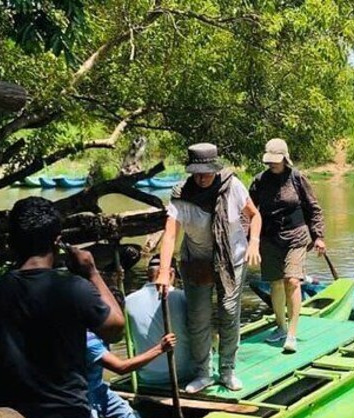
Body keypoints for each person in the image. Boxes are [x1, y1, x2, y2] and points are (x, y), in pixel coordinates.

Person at [0, 196, 125, 418]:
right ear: (57, 242)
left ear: (11, 242)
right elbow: (116, 330)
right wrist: (92, 273)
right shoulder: (74, 289)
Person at [155, 143, 261, 393]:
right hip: (197, 261)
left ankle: (227, 370)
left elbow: (255, 215)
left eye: (207, 172)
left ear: (215, 168)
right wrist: (163, 270)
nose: (202, 178)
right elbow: (170, 235)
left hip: (232, 259)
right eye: (197, 172)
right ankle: (202, 373)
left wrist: (254, 243)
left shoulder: (232, 186)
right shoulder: (181, 195)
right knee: (198, 317)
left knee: (228, 311)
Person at [250, 138, 326, 354]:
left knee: (292, 280)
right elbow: (249, 211)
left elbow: (314, 208)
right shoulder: (259, 180)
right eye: (269, 160)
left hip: (296, 236)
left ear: (285, 158)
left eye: (275, 160)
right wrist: (249, 239)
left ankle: (291, 334)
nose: (271, 164)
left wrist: (319, 236)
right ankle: (281, 327)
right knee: (275, 283)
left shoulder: (296, 177)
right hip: (270, 237)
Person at [85, 312, 176, 418]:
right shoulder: (88, 339)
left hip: (99, 389)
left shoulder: (102, 334)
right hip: (82, 396)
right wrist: (160, 348)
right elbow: (121, 367)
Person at [125, 255, 196, 385]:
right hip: (182, 373)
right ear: (172, 273)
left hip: (147, 376)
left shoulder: (128, 301)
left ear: (148, 274)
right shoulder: (183, 297)